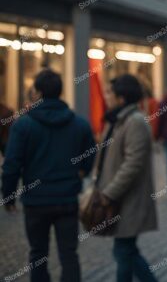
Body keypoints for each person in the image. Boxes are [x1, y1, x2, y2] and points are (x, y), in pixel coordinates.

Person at [1, 69, 96, 282]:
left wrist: (8, 195)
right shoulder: (79, 124)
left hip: (36, 201)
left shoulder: (23, 125)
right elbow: (90, 155)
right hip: (67, 199)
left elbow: (11, 164)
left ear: (38, 92)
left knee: (37, 255)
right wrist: (82, 172)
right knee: (69, 254)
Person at [98, 74, 158, 282]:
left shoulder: (135, 122)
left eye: (109, 93)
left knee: (124, 251)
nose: (106, 97)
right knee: (124, 251)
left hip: (130, 200)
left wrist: (109, 193)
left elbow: (133, 164)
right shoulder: (119, 119)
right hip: (122, 199)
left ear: (121, 98)